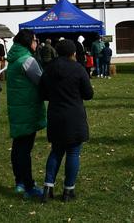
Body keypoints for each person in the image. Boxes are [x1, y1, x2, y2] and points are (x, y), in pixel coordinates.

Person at [39, 39, 94, 203]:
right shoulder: (78, 68)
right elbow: (88, 94)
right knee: (73, 152)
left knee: (56, 151)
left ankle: (48, 188)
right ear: (73, 53)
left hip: (56, 113)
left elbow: (42, 93)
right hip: (74, 114)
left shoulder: (49, 69)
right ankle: (68, 190)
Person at [6, 29, 47, 199]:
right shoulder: (27, 60)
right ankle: (29, 186)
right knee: (24, 149)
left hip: (17, 108)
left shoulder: (14, 58)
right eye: (35, 40)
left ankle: (19, 182)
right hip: (27, 109)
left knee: (18, 147)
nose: (37, 43)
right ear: (29, 41)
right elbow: (41, 81)